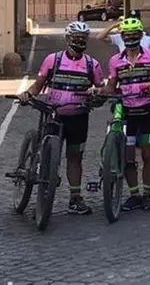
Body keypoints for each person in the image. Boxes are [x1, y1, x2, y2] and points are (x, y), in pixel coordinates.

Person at [18, 21, 105, 215]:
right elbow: (38, 84)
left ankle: (75, 198)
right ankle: (42, 196)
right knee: (47, 156)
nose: (79, 42)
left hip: (78, 117)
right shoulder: (53, 60)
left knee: (75, 158)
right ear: (67, 39)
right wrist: (28, 94)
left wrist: (97, 95)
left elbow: (101, 89)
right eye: (76, 38)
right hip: (53, 115)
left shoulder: (92, 65)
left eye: (83, 39)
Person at [104, 17, 150, 211]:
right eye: (127, 35)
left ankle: (147, 194)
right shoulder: (115, 61)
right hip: (127, 112)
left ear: (140, 36)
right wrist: (97, 92)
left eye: (134, 35)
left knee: (148, 155)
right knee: (128, 157)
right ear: (122, 36)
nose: (130, 38)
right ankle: (134, 194)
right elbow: (111, 87)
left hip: (147, 110)